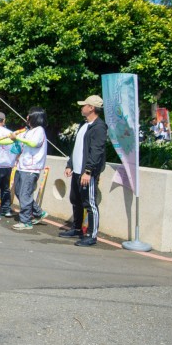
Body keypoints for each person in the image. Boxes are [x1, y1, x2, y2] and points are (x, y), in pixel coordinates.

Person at [61, 94, 108, 247]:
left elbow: (97, 151)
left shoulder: (99, 127)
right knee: (76, 200)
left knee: (90, 203)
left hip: (87, 172)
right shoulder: (84, 124)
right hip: (76, 170)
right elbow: (77, 148)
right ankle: (76, 228)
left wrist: (88, 171)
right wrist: (70, 164)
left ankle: (91, 235)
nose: (82, 108)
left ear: (91, 108)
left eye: (84, 105)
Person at [9, 107, 49, 230]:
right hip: (22, 166)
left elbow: (33, 143)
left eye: (29, 115)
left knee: (25, 194)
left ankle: (25, 221)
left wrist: (18, 138)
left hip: (31, 168)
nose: (27, 117)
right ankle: (38, 212)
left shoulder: (39, 131)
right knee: (18, 191)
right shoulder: (28, 131)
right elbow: (19, 142)